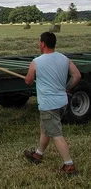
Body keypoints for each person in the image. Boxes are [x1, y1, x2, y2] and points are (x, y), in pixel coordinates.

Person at [24, 31, 81, 175]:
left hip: (49, 104)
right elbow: (77, 76)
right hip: (62, 102)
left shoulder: (37, 61)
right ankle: (38, 154)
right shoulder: (64, 58)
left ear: (42, 43)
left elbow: (28, 81)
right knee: (45, 128)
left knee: (56, 134)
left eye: (39, 42)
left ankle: (69, 165)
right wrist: (66, 88)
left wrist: (30, 77)